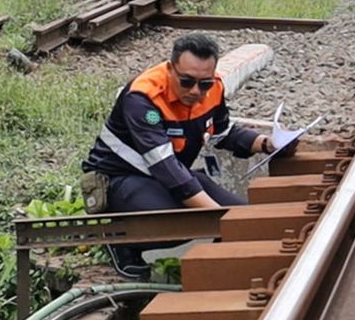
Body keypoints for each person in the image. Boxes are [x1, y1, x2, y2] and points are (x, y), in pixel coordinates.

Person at [81, 32, 282, 278]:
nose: (196, 91)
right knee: (185, 222)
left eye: (204, 83)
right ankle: (121, 241)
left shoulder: (213, 88)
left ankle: (217, 269)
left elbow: (222, 132)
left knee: (243, 218)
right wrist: (217, 217)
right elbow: (164, 165)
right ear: (170, 69)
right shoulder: (143, 97)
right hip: (122, 178)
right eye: (186, 82)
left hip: (172, 173)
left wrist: (266, 143)